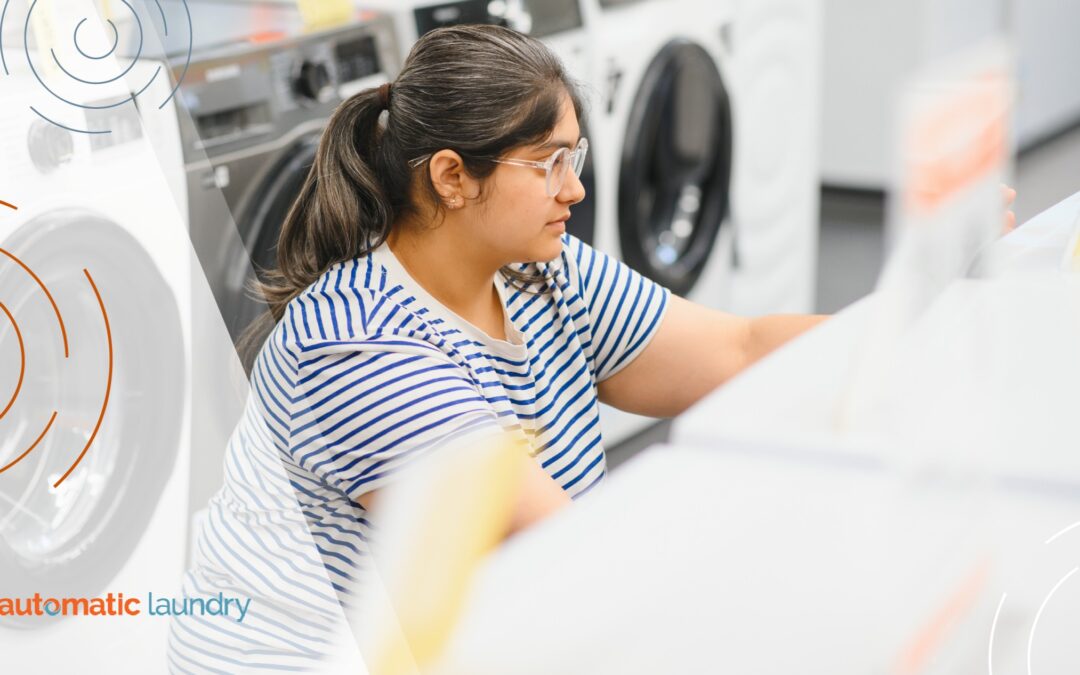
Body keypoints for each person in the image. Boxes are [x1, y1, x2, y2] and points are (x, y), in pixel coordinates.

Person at [166, 23, 830, 673]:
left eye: (575, 158)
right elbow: (566, 560)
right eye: (548, 163)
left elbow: (741, 349)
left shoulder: (538, 270)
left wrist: (882, 338)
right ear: (452, 177)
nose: (574, 189)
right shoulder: (354, 348)